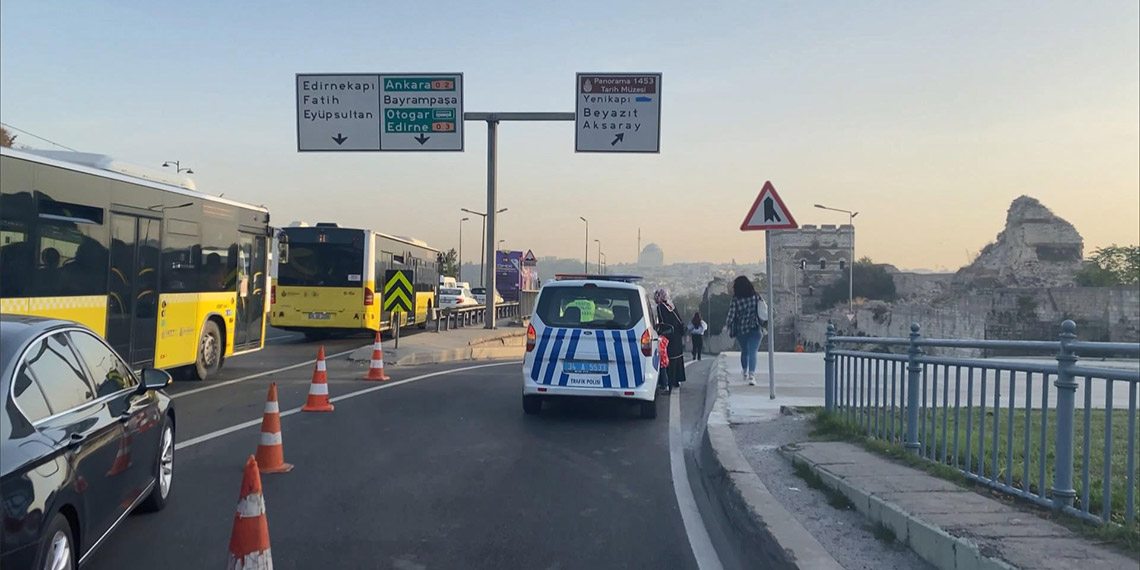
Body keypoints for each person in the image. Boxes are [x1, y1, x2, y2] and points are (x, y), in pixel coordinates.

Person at [724, 276, 768, 386]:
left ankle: (745, 372)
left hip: (741, 330)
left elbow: (731, 315)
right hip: (755, 328)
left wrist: (728, 325)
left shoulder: (736, 299)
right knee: (753, 352)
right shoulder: (756, 296)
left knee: (745, 351)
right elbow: (763, 310)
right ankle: (752, 375)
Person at [653, 288, 686, 389]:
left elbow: (663, 322)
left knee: (669, 358)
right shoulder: (671, 305)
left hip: (669, 335)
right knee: (677, 356)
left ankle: (669, 381)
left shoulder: (660, 307)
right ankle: (676, 379)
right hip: (677, 335)